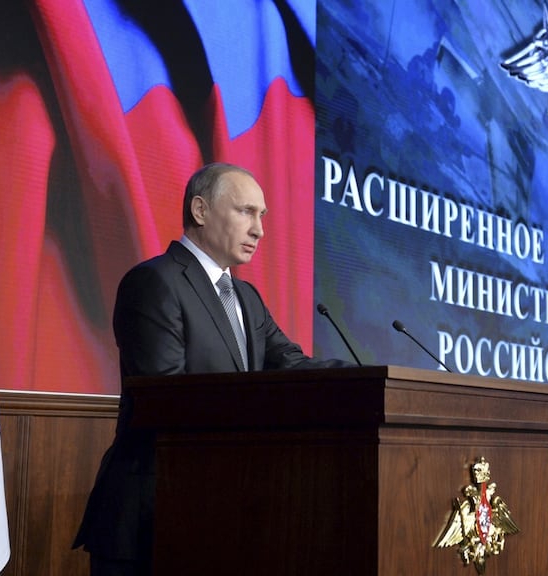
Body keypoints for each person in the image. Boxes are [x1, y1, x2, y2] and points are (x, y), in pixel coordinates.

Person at [73, 163, 353, 575]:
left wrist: (369, 379)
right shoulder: (154, 283)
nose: (259, 229)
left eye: (262, 216)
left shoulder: (246, 296)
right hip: (153, 513)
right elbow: (165, 398)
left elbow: (292, 365)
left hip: (221, 513)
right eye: (246, 212)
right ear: (201, 210)